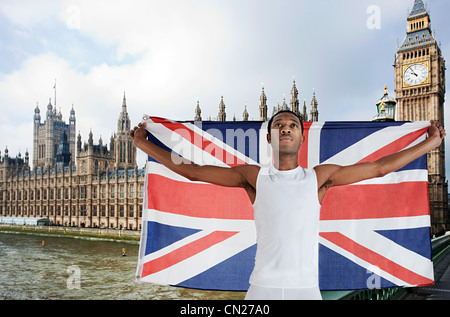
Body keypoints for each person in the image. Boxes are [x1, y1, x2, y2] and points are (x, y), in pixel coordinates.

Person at [130, 110, 446, 300]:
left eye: (292, 125)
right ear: (269, 137)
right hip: (261, 289)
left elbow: (379, 167)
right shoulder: (252, 177)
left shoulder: (320, 177)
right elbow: (194, 172)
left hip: (307, 290)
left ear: (301, 138)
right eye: (279, 125)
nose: (285, 128)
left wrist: (428, 144)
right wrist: (144, 143)